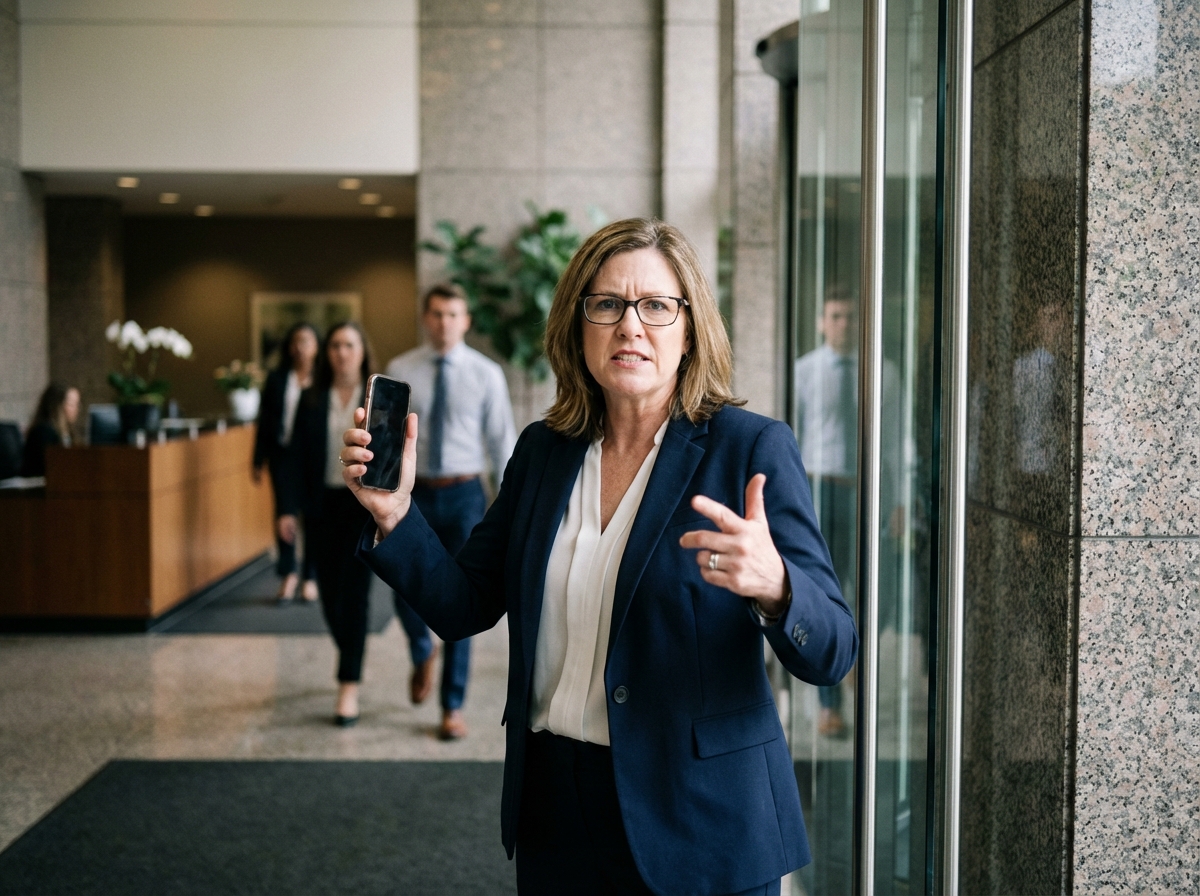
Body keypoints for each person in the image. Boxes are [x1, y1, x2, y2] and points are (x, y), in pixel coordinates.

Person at [340, 218, 857, 894]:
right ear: (578, 325)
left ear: (690, 328)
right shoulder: (543, 452)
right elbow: (461, 604)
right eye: (607, 304)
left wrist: (777, 587)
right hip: (558, 809)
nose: (629, 326)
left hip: (701, 814)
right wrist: (394, 515)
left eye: (656, 306)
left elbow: (834, 649)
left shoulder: (749, 449)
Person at [384, 283, 517, 741]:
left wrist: (510, 504)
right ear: (426, 318)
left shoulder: (487, 373)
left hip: (465, 494)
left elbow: (502, 441)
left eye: (453, 314)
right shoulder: (401, 370)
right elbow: (387, 436)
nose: (445, 322)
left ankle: (452, 704)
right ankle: (422, 648)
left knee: (464, 596)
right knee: (403, 584)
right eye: (437, 314)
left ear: (466, 321)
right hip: (414, 493)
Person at [792, 286, 899, 738]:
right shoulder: (803, 372)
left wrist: (899, 500)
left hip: (869, 490)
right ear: (821, 322)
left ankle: (851, 654)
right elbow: (789, 439)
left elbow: (895, 439)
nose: (842, 324)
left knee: (879, 594)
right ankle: (829, 704)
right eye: (834, 316)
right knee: (821, 593)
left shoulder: (884, 373)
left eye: (850, 317)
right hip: (819, 489)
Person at [278, 322, 375, 726]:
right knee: (329, 596)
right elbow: (295, 457)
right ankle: (348, 651)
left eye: (349, 345)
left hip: (361, 506)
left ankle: (348, 683)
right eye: (334, 345)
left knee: (354, 596)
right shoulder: (311, 397)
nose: (340, 352)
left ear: (361, 351)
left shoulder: (376, 399)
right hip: (322, 507)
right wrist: (287, 508)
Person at [254, 323, 321, 602]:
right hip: (282, 456)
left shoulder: (323, 380)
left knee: (314, 518)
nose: (300, 347)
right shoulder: (278, 378)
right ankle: (289, 574)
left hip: (314, 459)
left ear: (317, 345)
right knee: (284, 515)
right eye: (295, 341)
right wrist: (258, 459)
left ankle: (310, 576)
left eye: (306, 340)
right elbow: (264, 422)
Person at [21, 383, 80, 476]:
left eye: (77, 404)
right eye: (72, 404)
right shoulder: (44, 431)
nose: (76, 409)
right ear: (58, 405)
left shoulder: (68, 432)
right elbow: (49, 466)